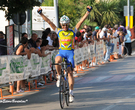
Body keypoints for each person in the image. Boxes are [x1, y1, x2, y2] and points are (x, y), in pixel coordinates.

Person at [37, 5, 92, 103]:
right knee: (57, 60)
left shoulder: (73, 31)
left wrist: (87, 12)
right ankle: (58, 76)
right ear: (61, 25)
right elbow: (49, 22)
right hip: (62, 52)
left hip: (70, 53)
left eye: (66, 25)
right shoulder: (59, 31)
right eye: (63, 25)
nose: (65, 27)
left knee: (70, 72)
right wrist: (41, 14)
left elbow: (80, 22)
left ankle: (71, 92)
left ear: (69, 24)